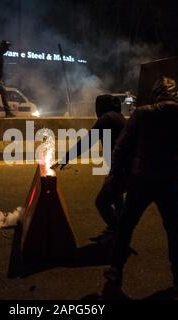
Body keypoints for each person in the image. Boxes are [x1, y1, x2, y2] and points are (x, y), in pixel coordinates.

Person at [103, 76, 178, 297]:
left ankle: (115, 271)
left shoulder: (143, 113)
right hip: (170, 182)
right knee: (175, 230)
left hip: (141, 180)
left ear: (156, 93)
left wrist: (115, 174)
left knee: (126, 226)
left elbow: (120, 148)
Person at [53, 95, 126, 243]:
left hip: (122, 169)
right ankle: (119, 228)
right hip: (124, 167)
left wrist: (66, 157)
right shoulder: (119, 118)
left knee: (101, 202)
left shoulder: (107, 119)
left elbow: (87, 142)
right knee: (117, 197)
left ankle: (119, 235)